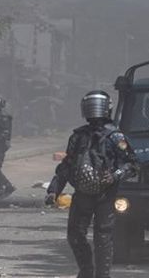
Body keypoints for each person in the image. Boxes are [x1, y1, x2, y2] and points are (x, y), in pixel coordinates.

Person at [46, 90, 138, 278]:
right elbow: (67, 165)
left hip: (106, 194)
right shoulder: (78, 136)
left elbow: (132, 164)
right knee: (75, 236)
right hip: (82, 194)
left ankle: (102, 275)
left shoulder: (115, 137)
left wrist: (114, 176)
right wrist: (54, 190)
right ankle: (87, 271)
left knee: (102, 236)